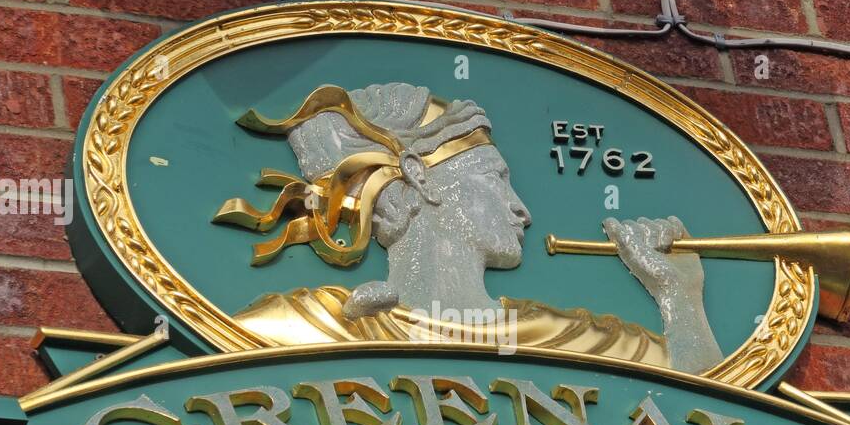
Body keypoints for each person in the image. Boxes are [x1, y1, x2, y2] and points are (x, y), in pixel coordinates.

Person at [219, 82, 723, 374]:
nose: (521, 209)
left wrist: (680, 295)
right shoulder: (306, 325)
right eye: (496, 181)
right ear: (420, 177)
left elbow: (702, 413)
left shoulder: (567, 338)